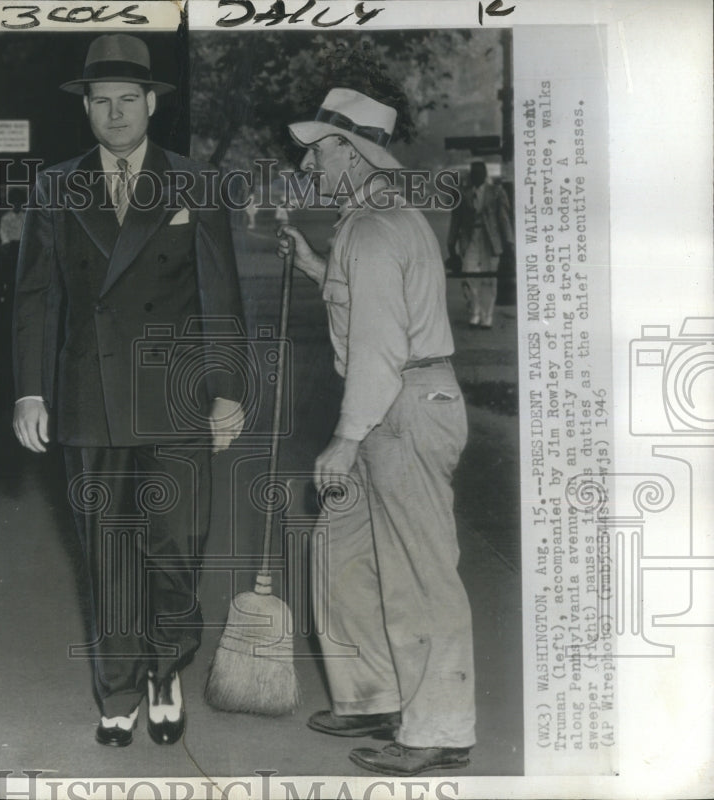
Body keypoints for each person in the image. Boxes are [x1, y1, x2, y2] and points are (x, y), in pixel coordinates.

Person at [12, 34, 246, 748]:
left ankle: (166, 669)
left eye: (127, 100)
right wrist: (29, 392)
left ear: (151, 104)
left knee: (176, 550)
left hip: (174, 400)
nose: (114, 114)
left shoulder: (193, 184)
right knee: (108, 550)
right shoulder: (56, 187)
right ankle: (117, 686)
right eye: (100, 102)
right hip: (90, 401)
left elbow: (222, 298)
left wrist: (228, 390)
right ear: (86, 109)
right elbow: (34, 298)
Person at [277, 88, 475, 776]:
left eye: (316, 150)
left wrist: (345, 437)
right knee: (343, 553)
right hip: (391, 402)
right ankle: (373, 694)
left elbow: (380, 347)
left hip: (401, 404)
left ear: (351, 151)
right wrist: (313, 266)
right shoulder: (371, 223)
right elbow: (366, 302)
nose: (308, 163)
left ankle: (437, 730)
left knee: (418, 573)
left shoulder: (373, 229)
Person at [447, 160, 514, 329]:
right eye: (473, 173)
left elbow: (504, 219)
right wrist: (451, 243)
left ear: (485, 175)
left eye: (479, 172)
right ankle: (475, 312)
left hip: (491, 240)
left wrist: (509, 243)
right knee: (469, 275)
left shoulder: (496, 192)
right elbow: (456, 220)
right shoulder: (462, 194)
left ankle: (487, 316)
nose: (476, 176)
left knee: (489, 278)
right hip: (469, 239)